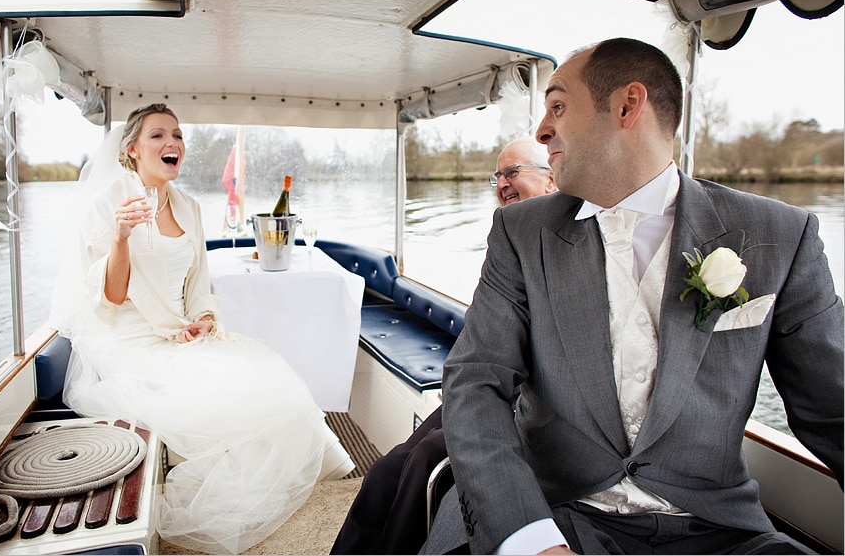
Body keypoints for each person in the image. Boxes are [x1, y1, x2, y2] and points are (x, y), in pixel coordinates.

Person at [424, 38, 843, 555]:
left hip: (720, 533)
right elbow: (476, 383)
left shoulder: (780, 233)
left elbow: (834, 410)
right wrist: (530, 539)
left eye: (557, 106)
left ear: (627, 105)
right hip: (556, 512)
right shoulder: (519, 232)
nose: (541, 130)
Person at [50, 103, 354, 554]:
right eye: (157, 136)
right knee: (241, 400)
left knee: (277, 388)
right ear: (132, 149)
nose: (171, 143)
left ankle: (283, 486)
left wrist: (205, 320)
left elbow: (198, 285)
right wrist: (119, 237)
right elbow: (111, 298)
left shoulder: (189, 206)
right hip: (131, 342)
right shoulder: (107, 205)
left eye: (177, 135)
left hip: (183, 336)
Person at [330, 137, 559, 555]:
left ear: (551, 179)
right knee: (383, 471)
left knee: (426, 463)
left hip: (533, 402)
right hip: (488, 385)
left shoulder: (569, 241)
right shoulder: (508, 241)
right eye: (497, 176)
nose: (502, 184)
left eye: (513, 172)